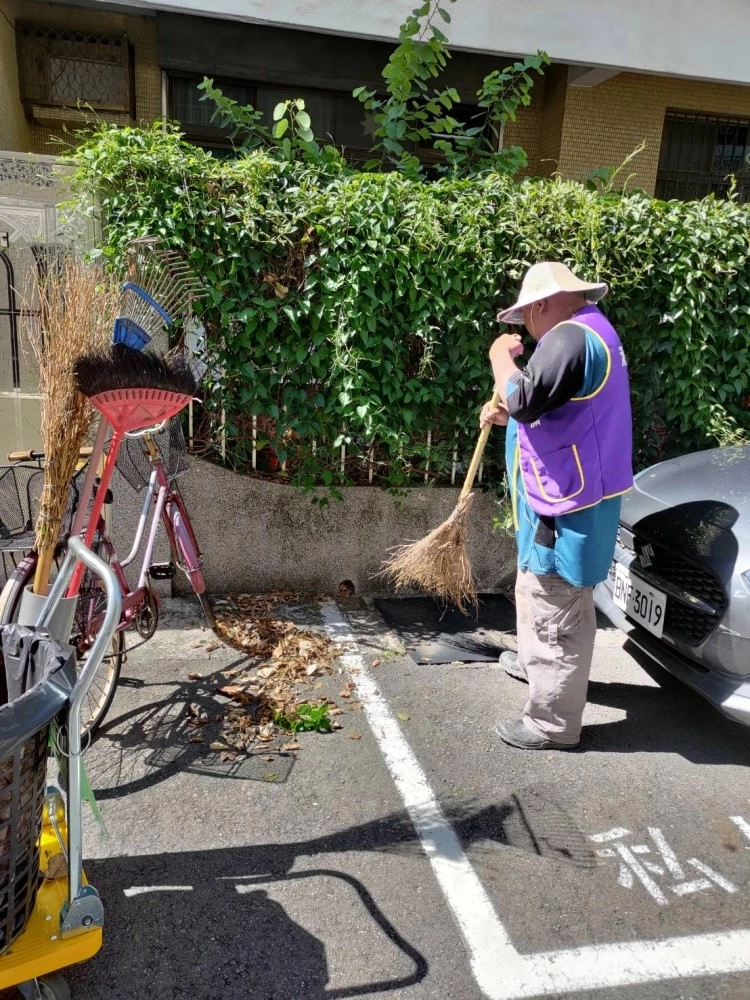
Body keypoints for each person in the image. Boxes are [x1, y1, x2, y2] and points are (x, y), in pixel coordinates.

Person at [480, 261, 633, 751]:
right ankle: (533, 664)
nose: (525, 327)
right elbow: (550, 408)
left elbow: (526, 397)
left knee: (556, 597)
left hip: (570, 503)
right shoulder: (591, 333)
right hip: (565, 491)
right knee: (539, 586)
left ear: (542, 304)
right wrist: (509, 415)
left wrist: (500, 359)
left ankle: (552, 723)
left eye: (526, 315)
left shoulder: (569, 337)